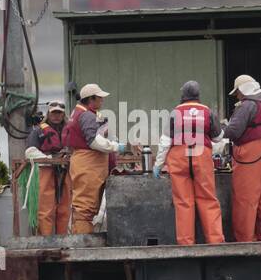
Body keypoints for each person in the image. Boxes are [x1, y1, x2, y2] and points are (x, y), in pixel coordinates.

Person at [154, 80, 224, 245]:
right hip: (201, 155)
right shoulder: (208, 111)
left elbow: (165, 141)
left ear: (183, 95)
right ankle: (215, 241)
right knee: (208, 199)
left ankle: (186, 243)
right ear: (198, 95)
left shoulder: (175, 113)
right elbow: (218, 137)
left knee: (183, 202)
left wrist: (158, 164)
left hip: (179, 157)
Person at [62, 83, 136, 233]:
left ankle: (83, 237)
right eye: (100, 98)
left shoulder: (81, 113)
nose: (102, 101)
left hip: (86, 163)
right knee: (85, 207)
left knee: (88, 206)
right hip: (88, 164)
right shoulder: (87, 115)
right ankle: (82, 241)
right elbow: (93, 141)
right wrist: (117, 147)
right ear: (91, 99)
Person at [222, 74, 261, 242]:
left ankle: (246, 242)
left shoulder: (247, 106)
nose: (237, 97)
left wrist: (221, 127)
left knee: (245, 200)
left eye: (237, 93)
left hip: (250, 154)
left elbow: (233, 131)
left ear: (242, 90)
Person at [25, 99, 71, 235]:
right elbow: (30, 151)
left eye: (59, 113)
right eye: (54, 113)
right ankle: (45, 241)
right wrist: (51, 159)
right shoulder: (38, 131)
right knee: (45, 209)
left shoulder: (70, 130)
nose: (56, 116)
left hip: (65, 172)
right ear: (48, 114)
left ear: (63, 114)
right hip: (46, 171)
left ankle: (63, 240)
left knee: (65, 208)